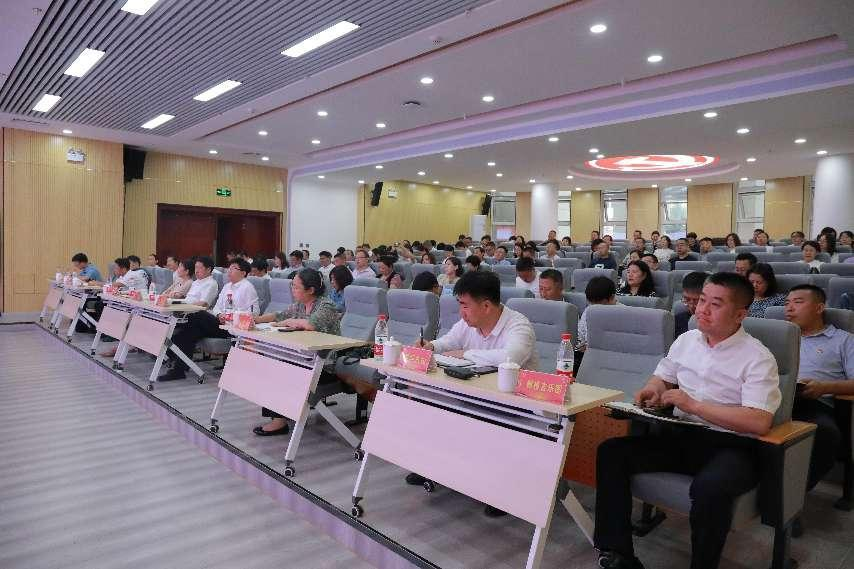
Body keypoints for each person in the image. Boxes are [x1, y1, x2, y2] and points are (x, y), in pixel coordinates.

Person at [594, 272, 780, 569]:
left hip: (733, 446)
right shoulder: (686, 340)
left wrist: (693, 405)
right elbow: (663, 377)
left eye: (715, 304)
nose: (702, 309)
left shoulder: (758, 357)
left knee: (710, 489)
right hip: (682, 435)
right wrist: (652, 389)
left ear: (740, 314)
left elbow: (758, 421)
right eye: (702, 300)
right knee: (611, 452)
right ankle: (618, 554)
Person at [411, 271, 538, 515]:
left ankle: (501, 493)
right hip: (477, 394)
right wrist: (431, 346)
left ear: (487, 306)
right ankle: (434, 468)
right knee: (430, 402)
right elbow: (449, 341)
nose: (462, 312)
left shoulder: (518, 325)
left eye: (465, 305)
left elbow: (510, 357)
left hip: (514, 404)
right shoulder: (469, 323)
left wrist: (465, 354)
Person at [785, 285, 854, 499]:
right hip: (775, 399)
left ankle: (790, 497)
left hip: (815, 403)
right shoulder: (781, 336)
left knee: (826, 434)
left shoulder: (843, 339)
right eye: (787, 303)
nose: (789, 308)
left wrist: (824, 387)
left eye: (797, 302)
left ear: (819, 308)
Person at [253, 268, 341, 435]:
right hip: (303, 359)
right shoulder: (300, 305)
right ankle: (281, 415)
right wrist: (255, 319)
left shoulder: (326, 306)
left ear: (310, 290)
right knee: (272, 364)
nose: (292, 289)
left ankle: (279, 421)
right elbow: (278, 316)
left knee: (280, 370)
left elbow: (310, 325)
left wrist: (288, 321)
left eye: (296, 287)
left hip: (325, 365)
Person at [162, 259, 260, 381]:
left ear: (243, 273)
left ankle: (170, 350)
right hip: (220, 323)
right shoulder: (227, 286)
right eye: (229, 268)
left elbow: (254, 313)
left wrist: (233, 316)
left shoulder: (247, 287)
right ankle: (178, 370)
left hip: (233, 328)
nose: (229, 271)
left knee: (197, 315)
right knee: (188, 333)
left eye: (233, 268)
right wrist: (219, 314)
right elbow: (216, 307)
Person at [577, 276, 618, 353]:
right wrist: (581, 345)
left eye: (599, 304)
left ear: (612, 298)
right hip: (588, 353)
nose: (594, 308)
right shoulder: (589, 310)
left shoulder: (623, 315)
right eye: (592, 303)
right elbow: (580, 334)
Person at [676, 272, 708, 337]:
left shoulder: (716, 323)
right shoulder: (677, 321)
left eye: (697, 301)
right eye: (687, 299)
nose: (691, 306)